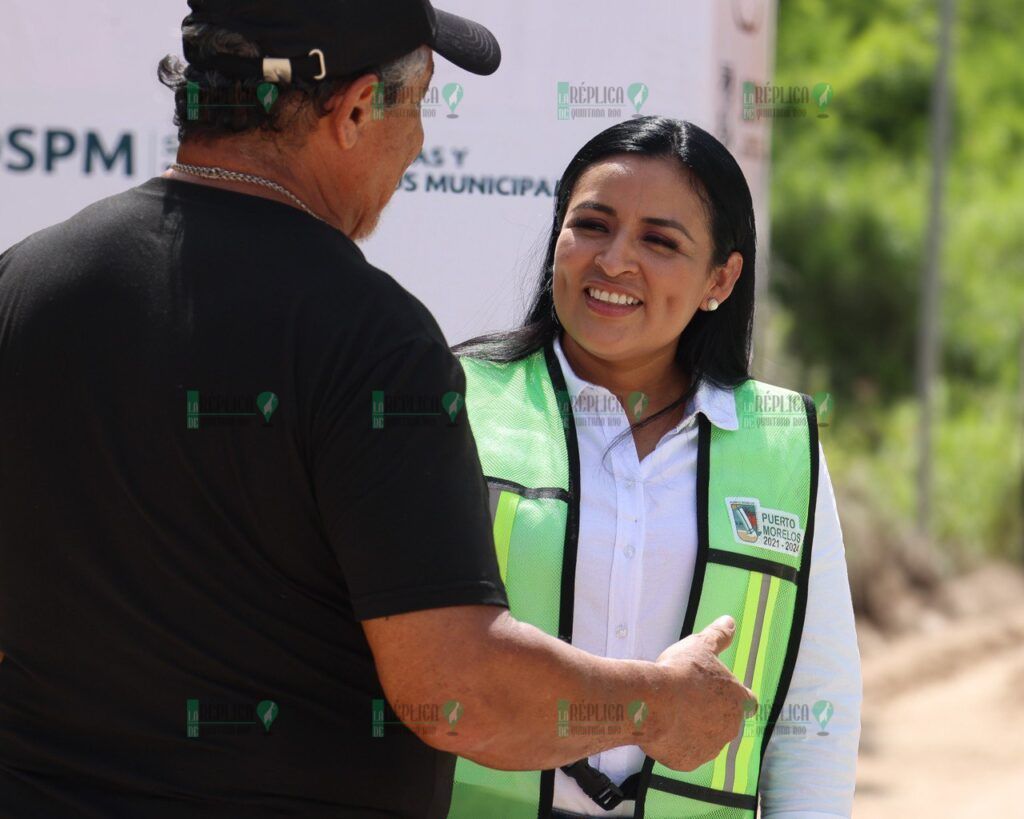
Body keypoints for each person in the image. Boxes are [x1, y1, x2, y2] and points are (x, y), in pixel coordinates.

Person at [0, 4, 757, 818]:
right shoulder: (371, 339)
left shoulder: (25, 283)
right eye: (420, 103)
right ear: (357, 109)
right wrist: (660, 707)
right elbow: (455, 688)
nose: (422, 142)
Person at [450, 117, 862, 818]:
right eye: (592, 225)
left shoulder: (784, 443)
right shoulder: (459, 403)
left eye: (660, 241)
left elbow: (814, 707)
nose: (613, 260)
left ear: (721, 278)